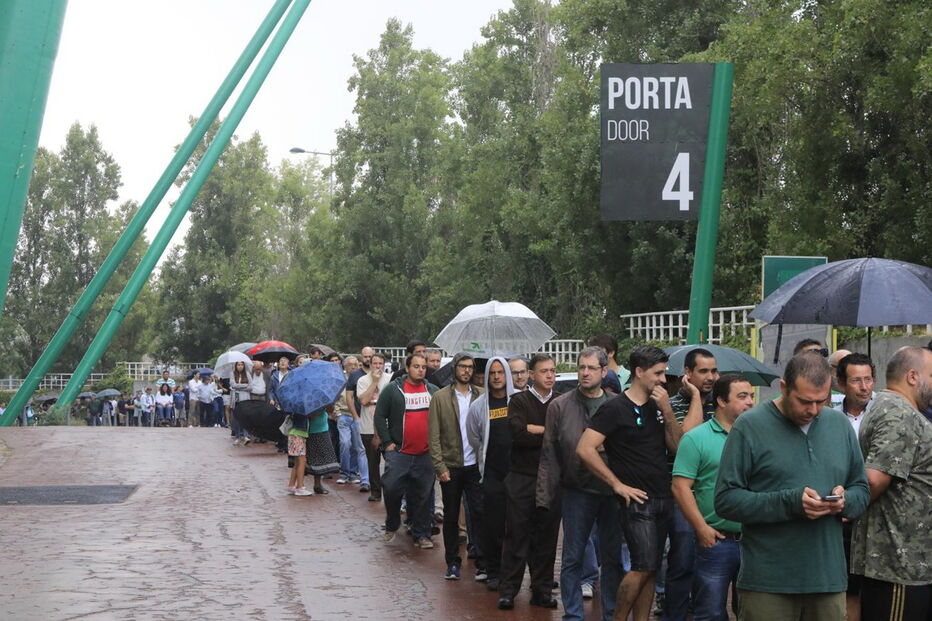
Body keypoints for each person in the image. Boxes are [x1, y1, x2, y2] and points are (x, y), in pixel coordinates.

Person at [714, 352, 869, 621]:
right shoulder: (749, 426)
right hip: (768, 583)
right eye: (804, 401)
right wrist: (791, 503)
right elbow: (726, 500)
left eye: (822, 401)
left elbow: (861, 490)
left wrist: (844, 501)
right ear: (784, 388)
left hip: (828, 580)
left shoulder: (839, 425)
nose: (813, 410)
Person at [577, 345, 684, 621]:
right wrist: (616, 484)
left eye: (664, 373)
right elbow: (585, 448)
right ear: (639, 372)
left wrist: (667, 412)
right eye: (658, 373)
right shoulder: (614, 407)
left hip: (663, 496)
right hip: (637, 501)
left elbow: (677, 448)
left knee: (649, 569)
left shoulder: (658, 406)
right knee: (642, 566)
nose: (663, 379)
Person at [536, 346, 623, 621]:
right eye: (581, 367)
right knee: (572, 557)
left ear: (604, 371)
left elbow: (627, 450)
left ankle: (611, 613)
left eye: (591, 368)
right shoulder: (559, 406)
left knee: (612, 559)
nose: (585, 373)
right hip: (575, 490)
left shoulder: (616, 404)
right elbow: (549, 453)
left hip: (611, 492)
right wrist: (544, 497)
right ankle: (573, 615)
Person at [851, 346, 932, 621]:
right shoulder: (899, 413)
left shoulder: (894, 408)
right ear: (912, 376)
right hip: (899, 564)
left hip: (908, 563)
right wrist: (846, 509)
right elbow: (873, 481)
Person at [671, 374, 754, 621]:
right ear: (721, 400)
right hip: (716, 541)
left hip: (756, 541)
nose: (750, 402)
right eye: (742, 396)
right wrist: (701, 528)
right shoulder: (696, 438)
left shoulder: (759, 437)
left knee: (754, 611)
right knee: (710, 612)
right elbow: (680, 487)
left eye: (751, 395)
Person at [497, 353, 561, 611]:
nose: (549, 375)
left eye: (553, 370)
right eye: (544, 371)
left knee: (546, 537)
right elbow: (518, 433)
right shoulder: (519, 401)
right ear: (531, 375)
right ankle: (509, 590)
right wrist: (549, 432)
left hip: (552, 478)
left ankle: (541, 590)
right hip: (522, 477)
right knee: (516, 535)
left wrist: (537, 429)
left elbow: (566, 436)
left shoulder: (561, 401)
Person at [663, 347, 719, 620]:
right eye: (703, 371)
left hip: (714, 493)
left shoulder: (723, 403)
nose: (710, 377)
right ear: (688, 374)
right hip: (683, 493)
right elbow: (687, 441)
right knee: (683, 560)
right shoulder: (672, 405)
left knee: (711, 562)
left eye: (713, 371)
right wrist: (696, 397)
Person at [428, 352, 484, 581]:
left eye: (470, 367)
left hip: (475, 466)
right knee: (451, 516)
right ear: (454, 368)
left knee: (479, 514)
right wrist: (439, 466)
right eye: (462, 366)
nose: (467, 371)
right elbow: (434, 435)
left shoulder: (482, 396)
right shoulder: (441, 398)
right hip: (451, 465)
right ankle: (452, 562)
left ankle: (482, 559)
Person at [375, 352, 439, 548]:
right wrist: (387, 443)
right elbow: (380, 416)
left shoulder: (433, 391)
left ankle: (421, 534)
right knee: (392, 488)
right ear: (407, 368)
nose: (420, 370)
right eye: (416, 366)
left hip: (425, 454)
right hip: (400, 452)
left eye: (423, 367)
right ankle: (392, 523)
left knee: (422, 495)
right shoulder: (393, 390)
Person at [466, 357, 518, 592]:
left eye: (500, 372)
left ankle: (513, 573)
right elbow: (474, 436)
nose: (497, 377)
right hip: (492, 474)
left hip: (517, 472)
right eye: (492, 373)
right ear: (486, 376)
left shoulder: (518, 400)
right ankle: (494, 570)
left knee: (517, 527)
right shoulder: (479, 406)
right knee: (494, 525)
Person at [357, 351, 392, 501]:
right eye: (375, 363)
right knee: (373, 462)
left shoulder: (390, 379)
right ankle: (375, 492)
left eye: (380, 364)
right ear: (370, 365)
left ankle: (391, 492)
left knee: (391, 462)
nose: (378, 366)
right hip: (367, 427)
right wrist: (375, 382)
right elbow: (364, 401)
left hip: (387, 428)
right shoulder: (362, 380)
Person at [337, 356, 368, 489]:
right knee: (345, 443)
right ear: (345, 366)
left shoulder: (360, 379)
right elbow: (335, 396)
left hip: (357, 415)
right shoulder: (340, 380)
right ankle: (344, 473)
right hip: (343, 415)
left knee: (357, 446)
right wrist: (337, 413)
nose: (353, 367)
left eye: (356, 364)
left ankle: (352, 472)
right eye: (350, 364)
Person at [833, 352, 875, 436]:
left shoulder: (883, 413)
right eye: (856, 380)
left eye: (868, 379)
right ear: (841, 383)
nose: (864, 387)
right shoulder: (833, 418)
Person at [230, 361, 251, 445]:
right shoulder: (232, 374)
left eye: (242, 365)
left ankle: (245, 436)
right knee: (236, 418)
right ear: (236, 366)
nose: (240, 366)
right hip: (236, 399)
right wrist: (244, 386)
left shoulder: (247, 374)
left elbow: (250, 387)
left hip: (245, 398)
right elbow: (232, 384)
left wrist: (238, 387)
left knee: (245, 417)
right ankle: (237, 437)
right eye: (238, 365)